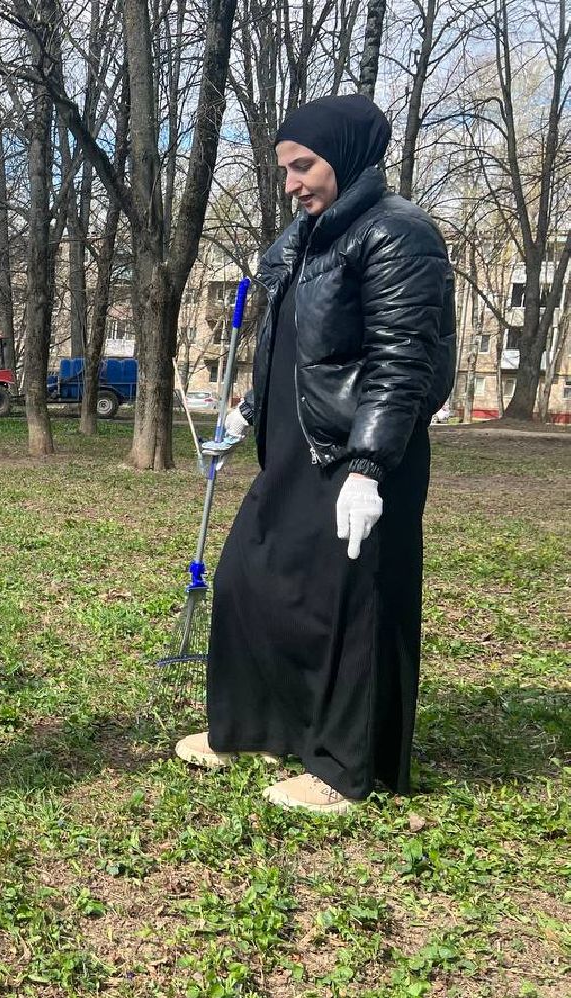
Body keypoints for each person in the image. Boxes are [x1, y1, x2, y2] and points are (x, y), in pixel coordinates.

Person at [177, 95, 455, 814]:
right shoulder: (306, 238)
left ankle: (342, 768)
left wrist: (369, 468)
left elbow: (404, 362)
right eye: (284, 170)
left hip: (356, 457)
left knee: (353, 605)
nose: (293, 182)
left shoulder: (399, 234)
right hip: (295, 448)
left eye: (304, 165)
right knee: (249, 577)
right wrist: (244, 411)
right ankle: (257, 727)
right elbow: (291, 346)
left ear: (348, 155)